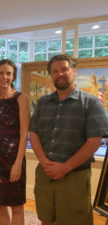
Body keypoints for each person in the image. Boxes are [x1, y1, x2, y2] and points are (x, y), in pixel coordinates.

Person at [29, 54, 108, 225]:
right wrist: (44, 162)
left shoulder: (91, 103)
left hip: (74, 177)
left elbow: (94, 141)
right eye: (55, 71)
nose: (60, 74)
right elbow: (33, 133)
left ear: (74, 71)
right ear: (51, 75)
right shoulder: (42, 103)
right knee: (46, 218)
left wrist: (65, 167)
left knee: (75, 221)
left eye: (64, 69)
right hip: (45, 175)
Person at [0, 59, 30, 225]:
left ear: (13, 76)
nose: (5, 77)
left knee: (17, 206)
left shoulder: (21, 99)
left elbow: (24, 132)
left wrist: (18, 163)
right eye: (1, 73)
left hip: (13, 160)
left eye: (8, 73)